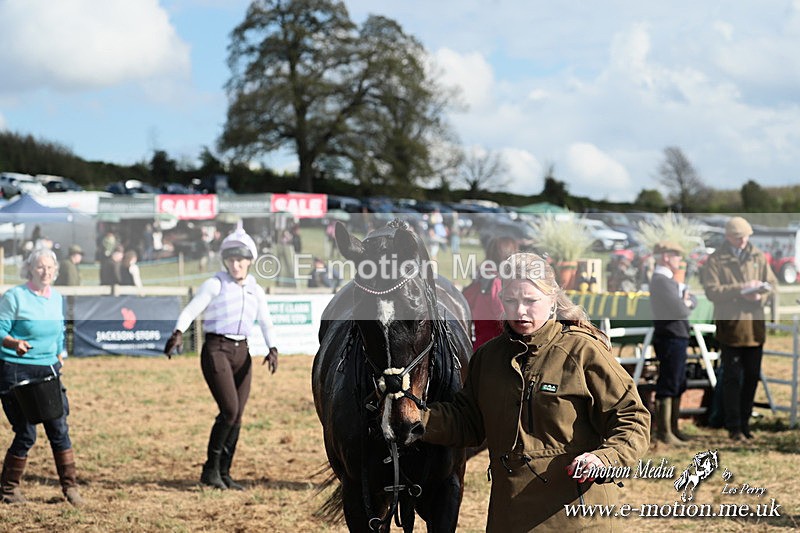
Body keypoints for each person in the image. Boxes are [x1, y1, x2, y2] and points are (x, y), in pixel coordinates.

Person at [421, 252, 650, 531]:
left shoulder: (582, 351)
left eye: (530, 301)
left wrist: (605, 458)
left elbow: (633, 419)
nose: (519, 312)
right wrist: (417, 418)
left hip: (578, 518)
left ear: (552, 300)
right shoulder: (488, 358)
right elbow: (468, 423)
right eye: (511, 301)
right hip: (510, 516)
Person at [163, 223, 279, 490]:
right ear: (225, 261)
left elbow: (265, 322)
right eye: (231, 259)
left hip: (244, 352)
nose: (235, 265)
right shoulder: (215, 284)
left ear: (250, 261)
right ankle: (209, 470)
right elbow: (192, 310)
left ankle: (224, 472)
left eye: (240, 260)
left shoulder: (255, 289)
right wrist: (178, 331)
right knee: (229, 410)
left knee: (238, 416)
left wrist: (273, 348)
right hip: (217, 349)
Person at [0, 248, 83, 506]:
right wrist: (14, 344)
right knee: (26, 433)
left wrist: (60, 354)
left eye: (50, 267)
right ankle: (8, 490)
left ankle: (70, 488)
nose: (45, 272)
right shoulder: (14, 297)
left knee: (59, 429)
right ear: (30, 269)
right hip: (16, 370)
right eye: (40, 267)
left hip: (48, 370)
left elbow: (59, 331)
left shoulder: (56, 297)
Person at [701, 216, 777, 441]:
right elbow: (712, 291)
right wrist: (741, 289)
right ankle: (733, 426)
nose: (743, 241)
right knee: (732, 379)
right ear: (728, 237)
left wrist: (759, 297)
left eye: (745, 237)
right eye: (738, 237)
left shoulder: (758, 256)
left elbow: (772, 285)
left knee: (752, 377)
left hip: (755, 328)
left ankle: (745, 423)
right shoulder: (715, 260)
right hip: (731, 329)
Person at [648, 241, 697, 445]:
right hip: (669, 335)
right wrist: (686, 303)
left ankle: (673, 428)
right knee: (669, 381)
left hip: (676, 334)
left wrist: (686, 302)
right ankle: (665, 431)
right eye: (676, 256)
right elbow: (682, 309)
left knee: (677, 381)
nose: (679, 260)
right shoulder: (661, 280)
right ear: (666, 257)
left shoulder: (667, 280)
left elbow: (692, 300)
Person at [461, 236, 519, 350]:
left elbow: (466, 302)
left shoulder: (482, 278)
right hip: (498, 350)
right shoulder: (497, 283)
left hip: (480, 347)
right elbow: (506, 319)